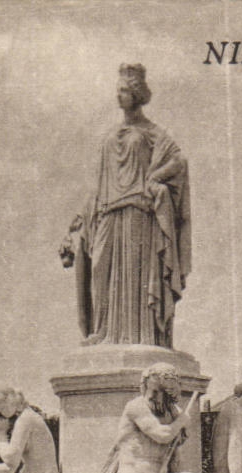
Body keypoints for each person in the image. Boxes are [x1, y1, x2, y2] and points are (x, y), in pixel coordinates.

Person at [60, 64, 190, 347]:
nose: (119, 96)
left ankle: (141, 336)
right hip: (106, 212)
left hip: (136, 214)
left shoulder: (152, 132)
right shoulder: (110, 134)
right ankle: (102, 331)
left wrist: (154, 177)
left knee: (134, 280)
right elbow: (97, 183)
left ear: (137, 94)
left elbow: (179, 162)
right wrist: (77, 223)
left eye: (124, 90)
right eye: (117, 90)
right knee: (100, 272)